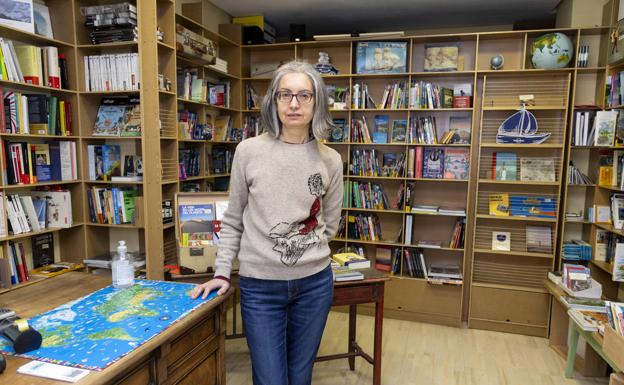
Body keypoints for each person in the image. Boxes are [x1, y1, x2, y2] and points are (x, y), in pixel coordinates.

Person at [190, 60, 344, 385]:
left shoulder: (330, 160)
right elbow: (233, 221)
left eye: (304, 95)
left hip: (314, 285)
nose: (293, 104)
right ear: (272, 100)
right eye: (285, 94)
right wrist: (221, 272)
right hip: (260, 287)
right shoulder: (248, 152)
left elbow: (329, 225)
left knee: (300, 376)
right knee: (270, 379)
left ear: (317, 103)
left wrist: (301, 247)